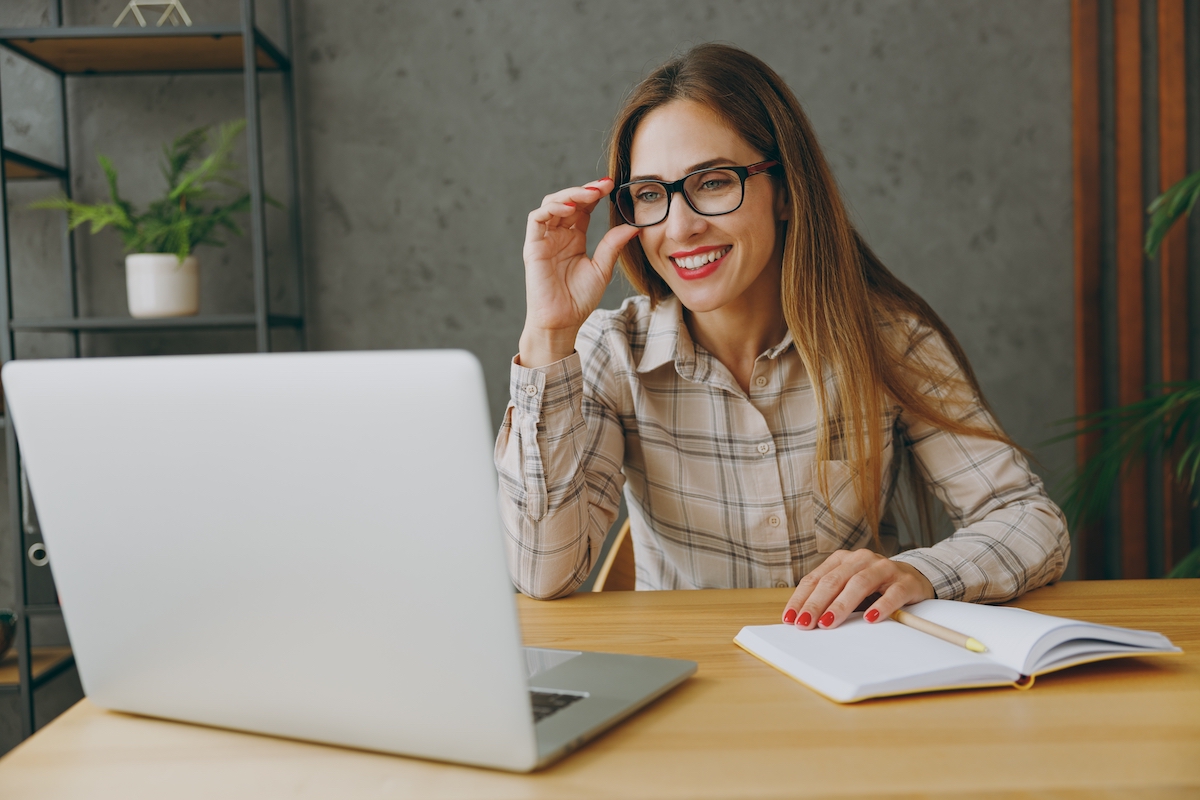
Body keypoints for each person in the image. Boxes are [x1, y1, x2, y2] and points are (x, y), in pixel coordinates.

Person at [495, 43, 1069, 631]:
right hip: (689, 684)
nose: (680, 226)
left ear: (788, 190)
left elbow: (1028, 520)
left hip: (854, 676)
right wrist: (549, 331)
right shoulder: (609, 355)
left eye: (712, 182)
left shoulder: (890, 340)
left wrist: (922, 573)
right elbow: (545, 575)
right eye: (650, 194)